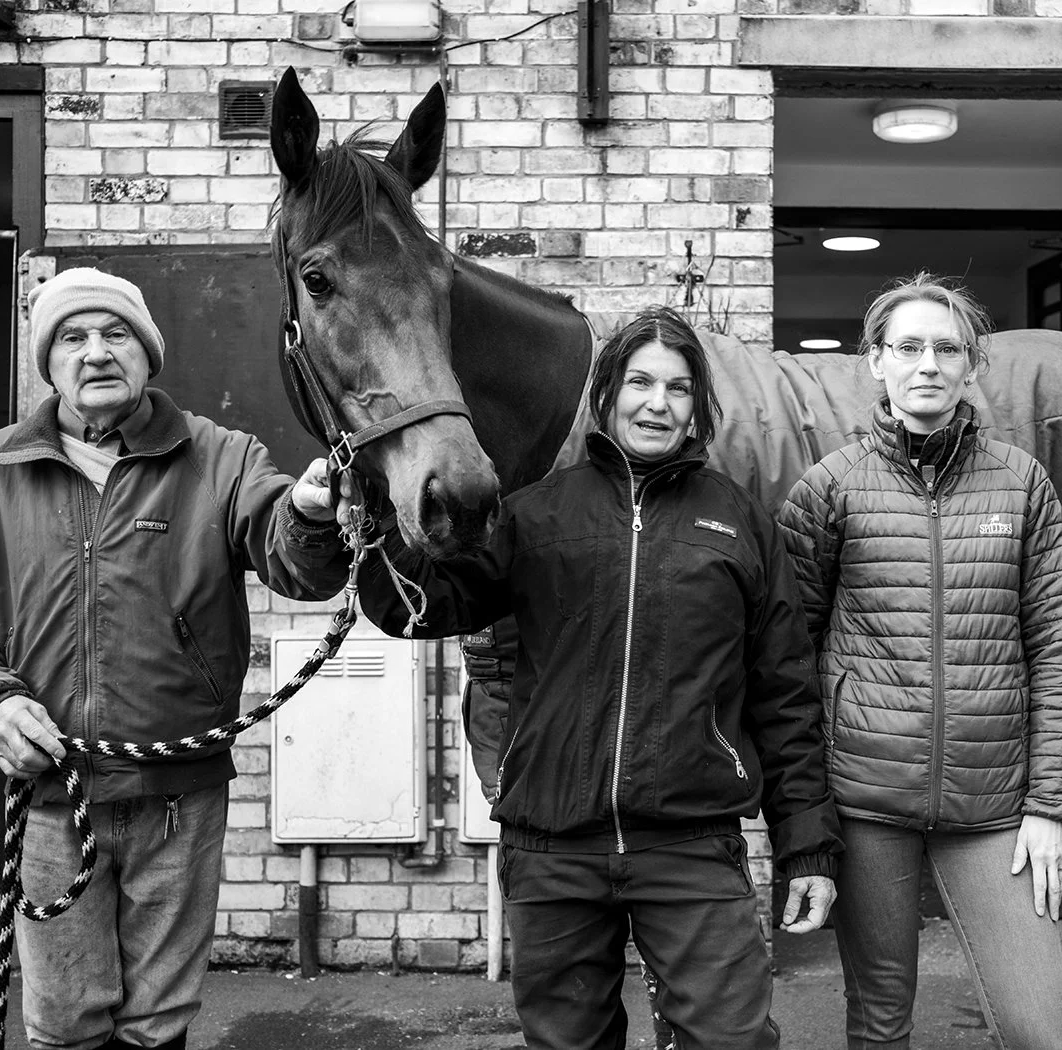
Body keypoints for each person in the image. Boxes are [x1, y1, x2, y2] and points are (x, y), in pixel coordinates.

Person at [336, 305, 842, 1049]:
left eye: (676, 388)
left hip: (691, 844)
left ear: (697, 406)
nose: (656, 403)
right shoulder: (533, 514)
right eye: (639, 382)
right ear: (607, 395)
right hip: (552, 848)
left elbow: (784, 695)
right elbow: (420, 609)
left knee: (730, 1040)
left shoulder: (738, 523)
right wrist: (372, 511)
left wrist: (805, 845)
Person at [0, 266, 350, 1050]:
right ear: (50, 363)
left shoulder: (222, 458)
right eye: (72, 338)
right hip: (51, 796)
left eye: (116, 335)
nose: (96, 352)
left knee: (157, 1023)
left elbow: (293, 559)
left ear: (148, 355)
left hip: (178, 798)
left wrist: (310, 514)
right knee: (66, 1022)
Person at [779, 273, 1062, 1050]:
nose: (927, 364)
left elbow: (1057, 650)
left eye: (946, 349)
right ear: (874, 361)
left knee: (1038, 1030)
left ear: (972, 366)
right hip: (865, 800)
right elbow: (786, 661)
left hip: (994, 806)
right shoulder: (829, 489)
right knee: (879, 1022)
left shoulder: (1022, 483)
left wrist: (1051, 807)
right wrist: (806, 814)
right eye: (907, 347)